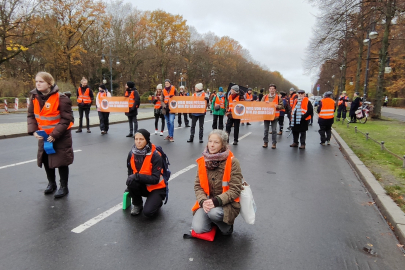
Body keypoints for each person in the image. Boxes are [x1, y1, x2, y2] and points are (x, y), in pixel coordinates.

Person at [27, 72, 74, 198]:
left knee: (61, 161)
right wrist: (34, 131)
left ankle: (64, 187)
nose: (38, 84)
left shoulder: (61, 98)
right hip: (44, 136)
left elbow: (66, 119)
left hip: (60, 136)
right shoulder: (34, 98)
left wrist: (54, 134)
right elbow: (31, 116)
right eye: (36, 81)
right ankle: (51, 184)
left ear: (49, 83)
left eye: (41, 81)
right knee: (47, 160)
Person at [191, 130, 243, 235]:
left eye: (216, 142)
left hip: (226, 203)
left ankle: (227, 227)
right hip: (207, 202)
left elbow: (235, 189)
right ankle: (214, 222)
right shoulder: (203, 161)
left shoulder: (232, 161)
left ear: (223, 144)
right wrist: (203, 201)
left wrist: (216, 201)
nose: (212, 145)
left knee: (214, 214)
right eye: (210, 141)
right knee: (198, 229)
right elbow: (198, 186)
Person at [125, 129, 166, 217]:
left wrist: (136, 177)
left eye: (141, 139)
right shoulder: (131, 153)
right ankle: (137, 204)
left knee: (148, 213)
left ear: (147, 140)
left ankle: (157, 202)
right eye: (136, 139)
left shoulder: (156, 155)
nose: (138, 142)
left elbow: (155, 179)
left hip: (156, 188)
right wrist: (130, 186)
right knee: (131, 181)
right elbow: (130, 170)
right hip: (143, 185)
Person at [262, 84, 284, 149]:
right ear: (269, 90)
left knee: (274, 130)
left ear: (275, 90)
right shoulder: (265, 96)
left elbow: (282, 106)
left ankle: (274, 143)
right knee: (266, 130)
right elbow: (261, 104)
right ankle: (265, 142)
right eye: (270, 88)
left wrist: (277, 106)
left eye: (273, 89)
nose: (271, 90)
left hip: (275, 116)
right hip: (266, 116)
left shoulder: (278, 97)